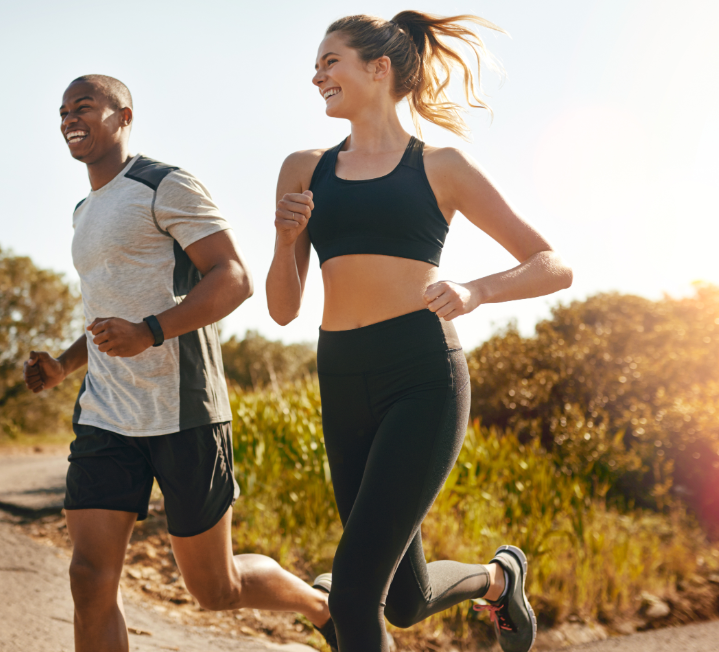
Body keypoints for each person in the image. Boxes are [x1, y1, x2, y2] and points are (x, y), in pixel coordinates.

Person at [266, 11, 573, 652]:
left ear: (378, 69)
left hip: (422, 375)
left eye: (331, 61)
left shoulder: (441, 167)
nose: (317, 74)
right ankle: (499, 578)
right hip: (342, 374)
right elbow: (282, 309)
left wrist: (476, 290)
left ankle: (491, 580)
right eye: (317, 64)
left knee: (350, 592)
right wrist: (284, 237)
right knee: (403, 600)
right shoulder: (304, 168)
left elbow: (552, 264)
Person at [23, 74, 330, 652]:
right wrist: (65, 366)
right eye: (62, 111)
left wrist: (151, 332)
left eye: (83, 106)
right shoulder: (82, 211)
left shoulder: (164, 184)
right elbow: (108, 313)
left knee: (215, 589)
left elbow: (233, 278)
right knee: (89, 579)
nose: (69, 117)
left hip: (184, 411)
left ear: (124, 115)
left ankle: (321, 606)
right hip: (107, 416)